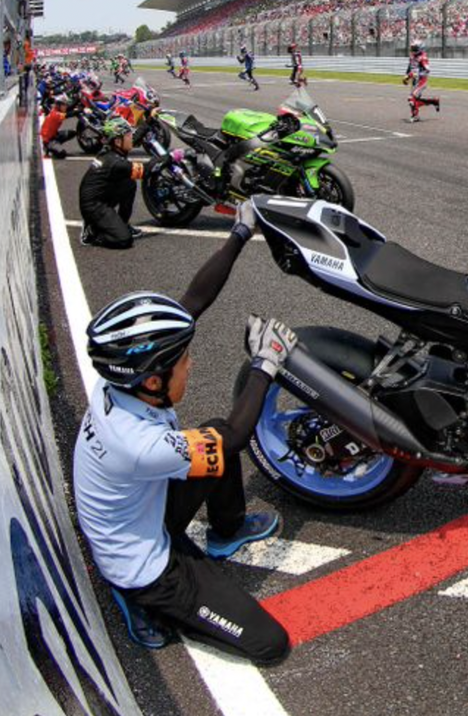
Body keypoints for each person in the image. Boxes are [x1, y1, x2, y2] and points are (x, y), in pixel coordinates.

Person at [72, 208, 293, 665]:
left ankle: (226, 532)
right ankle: (135, 597)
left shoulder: (118, 377)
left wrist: (241, 230)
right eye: (184, 359)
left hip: (141, 508)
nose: (190, 363)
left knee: (210, 433)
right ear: (154, 380)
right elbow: (233, 440)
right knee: (270, 645)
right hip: (145, 566)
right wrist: (266, 363)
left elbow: (192, 301)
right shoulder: (136, 445)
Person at [79, 117, 146, 248]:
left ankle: (122, 223)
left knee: (129, 183)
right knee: (124, 239)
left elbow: (136, 139)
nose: (131, 138)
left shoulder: (112, 151)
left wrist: (149, 120)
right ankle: (93, 232)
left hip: (101, 196)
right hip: (93, 206)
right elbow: (147, 170)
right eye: (128, 135)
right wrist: (170, 157)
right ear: (117, 140)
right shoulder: (114, 162)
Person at [403, 41, 439, 122]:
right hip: (414, 81)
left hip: (422, 81)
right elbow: (410, 67)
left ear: (420, 48)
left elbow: (427, 70)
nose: (412, 50)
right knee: (413, 100)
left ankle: (415, 116)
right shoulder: (412, 56)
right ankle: (433, 101)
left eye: (414, 48)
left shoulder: (423, 57)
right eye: (412, 48)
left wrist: (417, 74)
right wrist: (406, 76)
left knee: (411, 98)